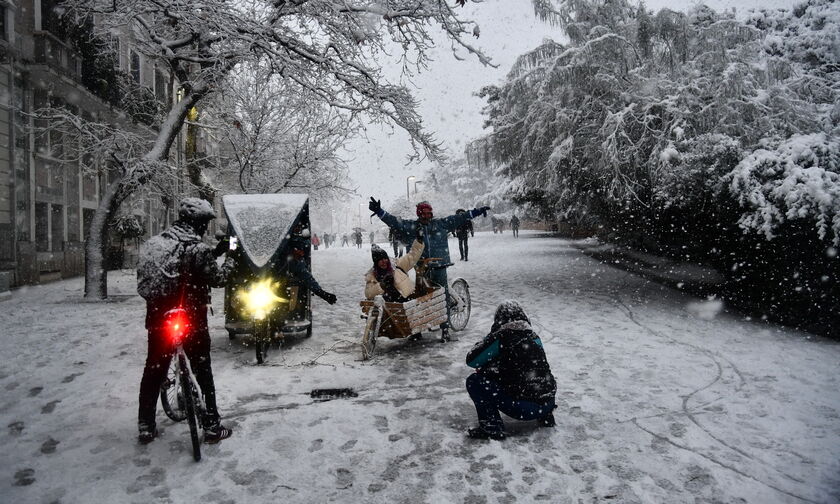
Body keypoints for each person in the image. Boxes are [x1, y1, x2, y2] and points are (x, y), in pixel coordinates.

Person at [136, 198, 234, 445]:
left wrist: (214, 252)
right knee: (203, 370)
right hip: (191, 321)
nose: (204, 229)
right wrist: (232, 257)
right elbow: (218, 278)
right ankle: (212, 426)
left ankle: (146, 425)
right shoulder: (198, 250)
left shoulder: (154, 245)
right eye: (204, 224)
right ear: (198, 224)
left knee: (154, 370)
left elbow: (176, 266)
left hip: (160, 319)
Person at [368, 198, 489, 340]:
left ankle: (445, 329)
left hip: (439, 266)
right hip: (420, 268)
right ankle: (417, 329)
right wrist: (379, 211)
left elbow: (460, 217)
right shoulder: (411, 227)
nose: (427, 216)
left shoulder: (441, 225)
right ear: (419, 214)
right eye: (424, 213)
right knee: (418, 298)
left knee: (442, 297)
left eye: (429, 213)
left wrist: (478, 211)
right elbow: (394, 221)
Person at [465, 301, 557, 440]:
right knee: (535, 373)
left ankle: (492, 428)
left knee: (475, 381)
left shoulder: (502, 337)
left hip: (523, 409)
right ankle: (545, 416)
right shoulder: (534, 337)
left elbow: (472, 360)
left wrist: (490, 337)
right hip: (547, 403)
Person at [365, 227, 425, 302]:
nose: (384, 261)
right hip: (393, 308)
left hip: (410, 301)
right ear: (376, 263)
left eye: (385, 258)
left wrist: (419, 242)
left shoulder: (397, 265)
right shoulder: (372, 275)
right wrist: (382, 286)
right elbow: (368, 293)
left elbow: (412, 257)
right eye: (380, 260)